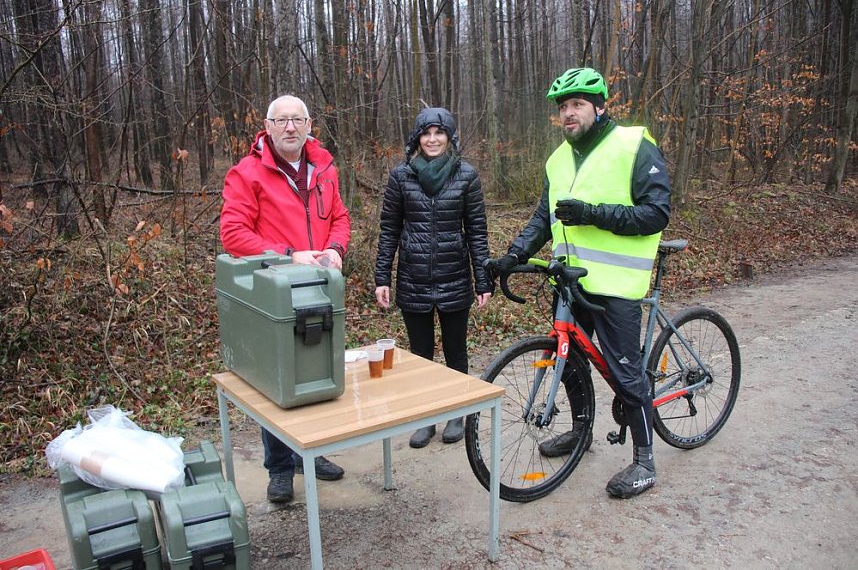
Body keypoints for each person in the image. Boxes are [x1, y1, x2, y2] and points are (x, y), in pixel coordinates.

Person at [493, 68, 671, 498]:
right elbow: (544, 217)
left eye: (576, 105)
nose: (568, 114)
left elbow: (657, 214)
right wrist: (514, 254)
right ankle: (580, 431)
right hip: (570, 281)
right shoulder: (557, 159)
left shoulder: (632, 145)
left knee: (628, 376)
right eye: (562, 107)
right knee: (568, 362)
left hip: (616, 286)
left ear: (599, 106)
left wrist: (593, 213)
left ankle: (645, 461)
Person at [220, 94, 351, 503]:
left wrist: (335, 249)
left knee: (318, 371)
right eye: (282, 121)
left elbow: (340, 218)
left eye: (297, 120)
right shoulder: (247, 173)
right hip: (274, 293)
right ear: (268, 126)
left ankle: (308, 453)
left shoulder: (325, 167)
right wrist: (289, 254)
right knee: (279, 379)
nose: (290, 128)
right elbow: (233, 235)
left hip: (321, 289)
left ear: (310, 124)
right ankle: (279, 467)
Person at [374, 107, 493, 448]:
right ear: (417, 138)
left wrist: (481, 278)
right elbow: (389, 230)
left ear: (449, 137)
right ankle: (425, 417)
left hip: (454, 275)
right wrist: (383, 276)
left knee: (456, 352)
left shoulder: (466, 176)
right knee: (420, 353)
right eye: (426, 133)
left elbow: (477, 231)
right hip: (414, 277)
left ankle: (457, 412)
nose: (432, 139)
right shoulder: (401, 177)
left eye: (439, 133)